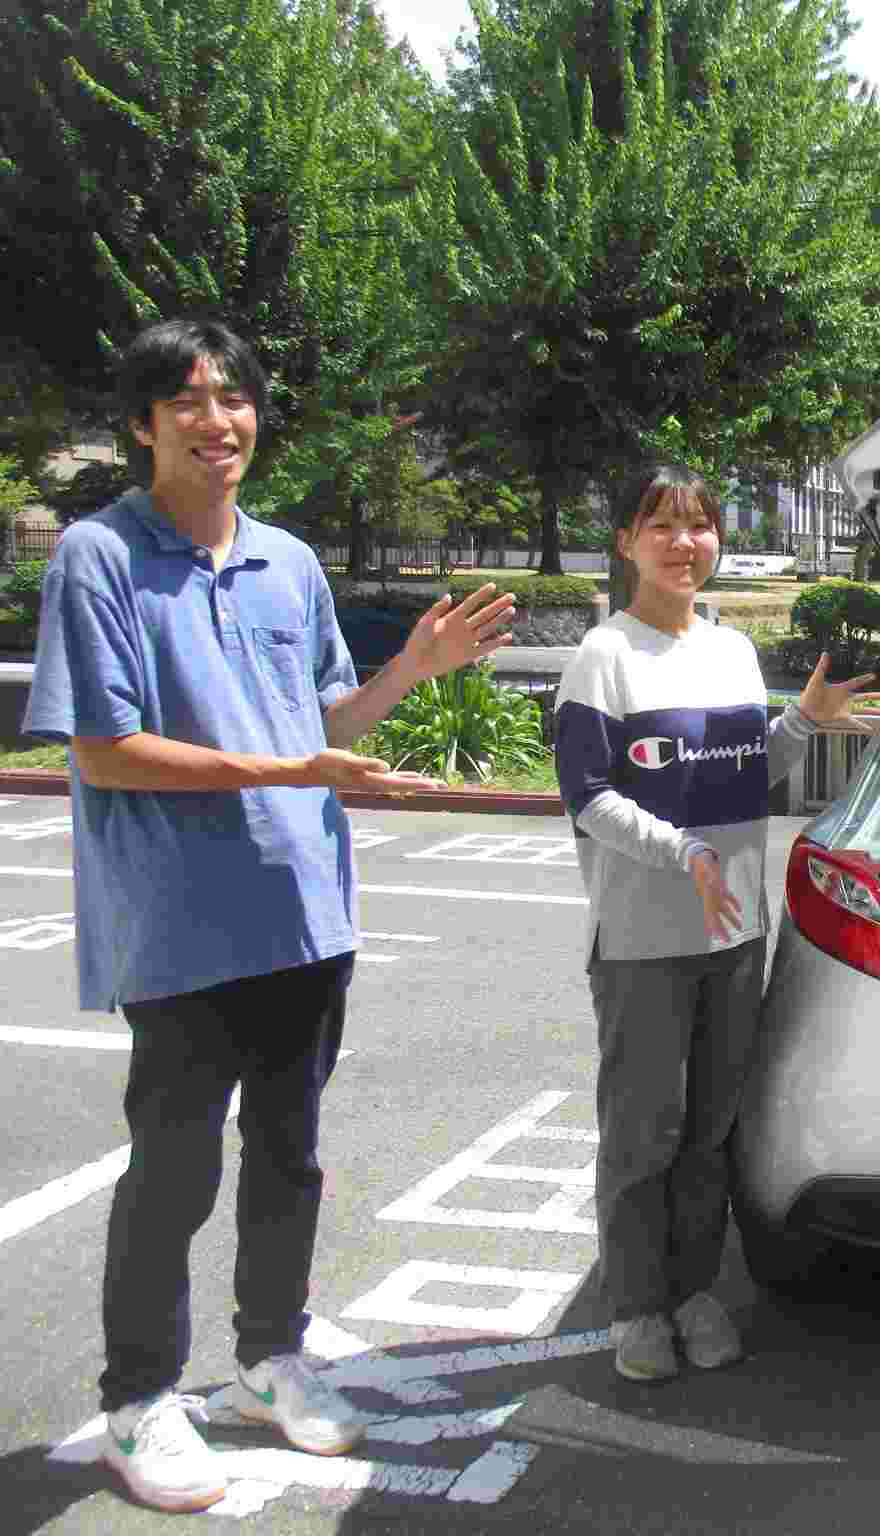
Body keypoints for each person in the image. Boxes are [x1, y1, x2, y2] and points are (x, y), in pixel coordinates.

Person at [25, 317, 519, 1514]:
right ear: (142, 423)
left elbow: (321, 724)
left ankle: (268, 1362)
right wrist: (293, 770)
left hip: (305, 912)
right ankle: (140, 1399)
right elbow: (107, 751)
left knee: (289, 1156)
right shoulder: (98, 557)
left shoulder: (288, 563)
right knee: (175, 1166)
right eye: (188, 400)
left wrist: (409, 673)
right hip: (179, 923)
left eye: (235, 397)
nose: (218, 420)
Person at [553, 466, 874, 1384]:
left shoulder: (733, 651)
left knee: (710, 1133)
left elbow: (745, 770)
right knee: (642, 1136)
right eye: (661, 525)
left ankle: (694, 1291)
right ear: (626, 542)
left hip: (735, 935)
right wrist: (681, 850)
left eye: (699, 525)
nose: (683, 543)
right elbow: (587, 797)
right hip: (643, 942)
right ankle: (636, 1306)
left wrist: (803, 721)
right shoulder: (604, 656)